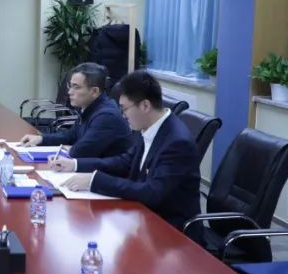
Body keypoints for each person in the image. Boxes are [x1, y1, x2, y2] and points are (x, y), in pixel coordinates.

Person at [53, 71, 200, 232]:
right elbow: (125, 162)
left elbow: (152, 192)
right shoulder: (150, 125)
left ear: (145, 106)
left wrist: (94, 181)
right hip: (142, 217)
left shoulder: (177, 142)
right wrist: (75, 164)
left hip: (171, 230)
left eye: (124, 109)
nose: (123, 116)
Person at [18, 62, 131, 158]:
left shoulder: (106, 116)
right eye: (70, 86)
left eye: (76, 87)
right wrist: (41, 139)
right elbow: (70, 136)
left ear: (94, 91)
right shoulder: (90, 107)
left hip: (104, 174)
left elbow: (79, 152)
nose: (69, 92)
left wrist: (70, 148)